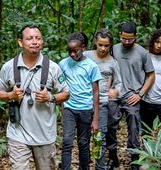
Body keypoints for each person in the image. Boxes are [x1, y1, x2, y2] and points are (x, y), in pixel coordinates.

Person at [0, 25, 69, 170]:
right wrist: (11, 95)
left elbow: (66, 93)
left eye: (38, 38)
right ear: (20, 42)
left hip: (44, 136)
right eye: (29, 38)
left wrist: (50, 97)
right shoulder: (9, 67)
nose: (34, 41)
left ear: (42, 42)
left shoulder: (54, 68)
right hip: (17, 134)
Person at [109, 21, 155, 170]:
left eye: (130, 39)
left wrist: (140, 94)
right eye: (124, 38)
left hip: (132, 96)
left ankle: (134, 159)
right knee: (110, 126)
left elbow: (151, 75)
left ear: (136, 36)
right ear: (120, 36)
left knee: (134, 129)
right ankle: (112, 157)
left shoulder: (143, 53)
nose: (127, 42)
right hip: (115, 95)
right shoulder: (113, 49)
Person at [59, 32, 102, 170]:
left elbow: (96, 92)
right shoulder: (63, 64)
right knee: (66, 141)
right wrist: (62, 108)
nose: (72, 54)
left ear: (83, 47)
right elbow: (61, 88)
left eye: (75, 50)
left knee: (83, 143)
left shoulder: (91, 66)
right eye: (69, 51)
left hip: (86, 109)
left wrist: (95, 119)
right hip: (69, 108)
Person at [83, 28, 122, 170]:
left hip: (103, 102)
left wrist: (116, 91)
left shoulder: (113, 62)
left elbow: (119, 82)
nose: (103, 48)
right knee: (84, 137)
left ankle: (100, 166)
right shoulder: (86, 56)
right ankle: (84, 165)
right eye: (100, 44)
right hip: (84, 102)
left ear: (111, 45)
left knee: (100, 136)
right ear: (95, 42)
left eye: (106, 45)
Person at [140, 29, 161, 134]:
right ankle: (148, 150)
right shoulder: (145, 55)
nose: (159, 46)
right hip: (147, 99)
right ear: (153, 41)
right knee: (146, 130)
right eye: (157, 42)